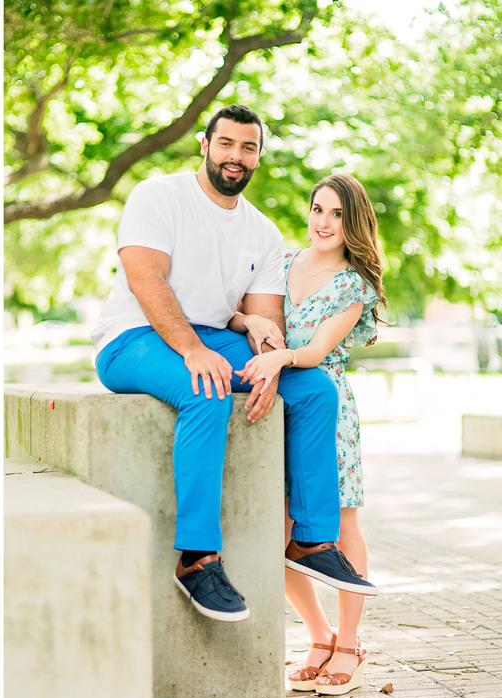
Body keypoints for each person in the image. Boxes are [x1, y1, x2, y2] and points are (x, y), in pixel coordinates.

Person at [90, 104, 376, 623]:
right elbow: (145, 279)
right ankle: (198, 559)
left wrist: (268, 362)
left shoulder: (263, 232)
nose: (235, 156)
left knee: (313, 389)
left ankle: (311, 542)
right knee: (207, 388)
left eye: (248, 148)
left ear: (258, 157)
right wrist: (193, 350)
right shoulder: (158, 196)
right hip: (133, 336)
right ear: (205, 145)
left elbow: (265, 317)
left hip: (215, 337)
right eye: (226, 144)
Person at [237, 174, 386, 694]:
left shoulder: (352, 284)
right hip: (275, 407)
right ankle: (319, 636)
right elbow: (241, 312)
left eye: (337, 214)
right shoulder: (280, 263)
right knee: (280, 536)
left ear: (354, 222)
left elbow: (317, 352)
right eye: (318, 209)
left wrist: (278, 355)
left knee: (341, 527)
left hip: (326, 407)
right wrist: (245, 322)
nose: (324, 222)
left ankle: (349, 645)